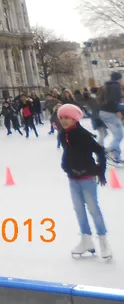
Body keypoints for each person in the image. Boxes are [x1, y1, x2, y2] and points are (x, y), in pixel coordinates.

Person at [57, 104, 111, 260]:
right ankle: (86, 240)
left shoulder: (82, 135)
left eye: (67, 117)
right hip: (73, 178)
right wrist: (66, 165)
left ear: (74, 119)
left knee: (93, 208)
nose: (64, 121)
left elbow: (99, 151)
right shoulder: (62, 135)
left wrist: (100, 170)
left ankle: (103, 241)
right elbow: (68, 153)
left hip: (87, 178)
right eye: (61, 118)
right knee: (79, 210)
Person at [97, 72, 123, 166]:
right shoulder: (116, 86)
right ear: (119, 79)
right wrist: (118, 110)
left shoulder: (107, 85)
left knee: (117, 134)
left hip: (103, 112)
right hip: (110, 113)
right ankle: (107, 152)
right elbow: (112, 100)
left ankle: (116, 156)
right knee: (119, 135)